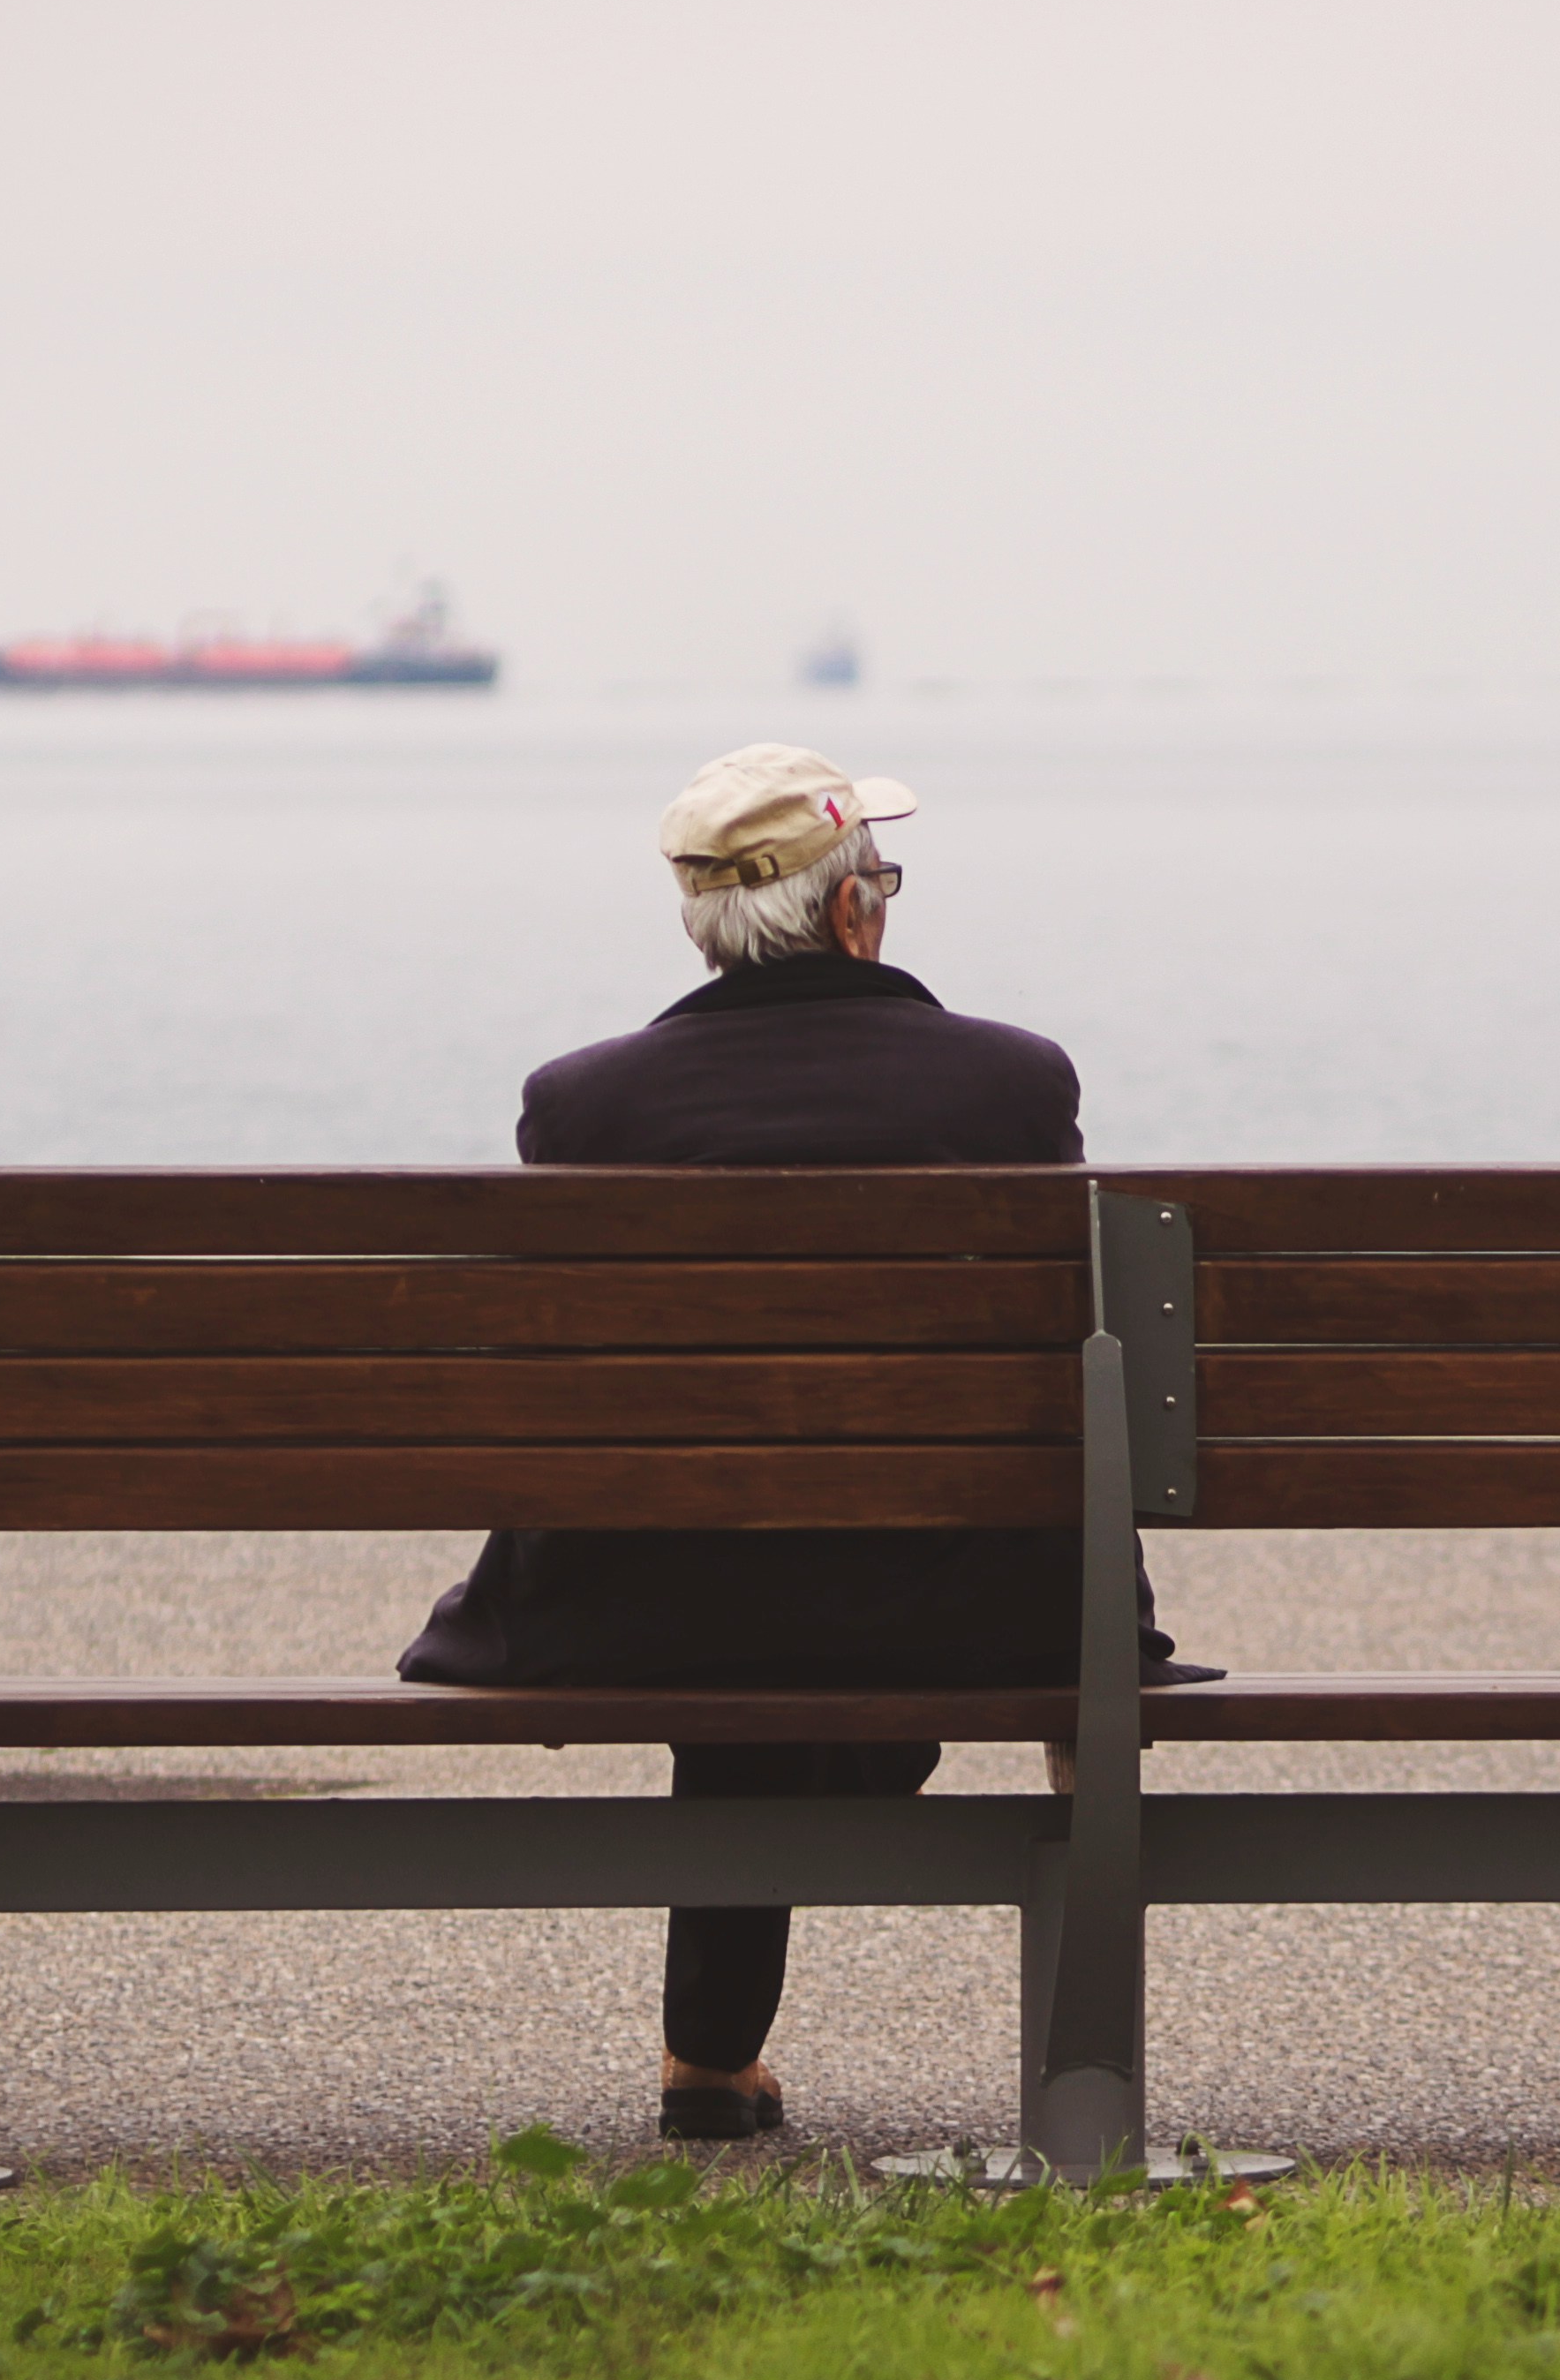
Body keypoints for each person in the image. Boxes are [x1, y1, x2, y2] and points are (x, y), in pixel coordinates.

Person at [397, 743, 1198, 2141]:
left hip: (651, 1608)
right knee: (837, 1566)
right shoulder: (1008, 1086)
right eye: (878, 876)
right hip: (969, 1611)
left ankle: (709, 2059)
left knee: (734, 1556)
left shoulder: (585, 1106)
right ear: (848, 916)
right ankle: (1052, 2072)